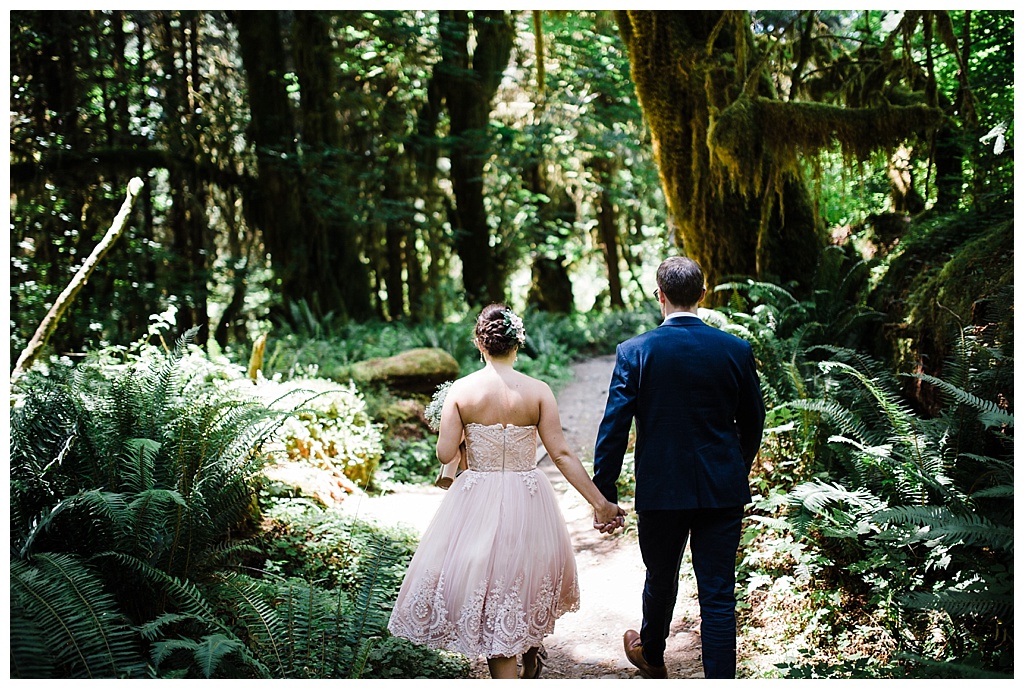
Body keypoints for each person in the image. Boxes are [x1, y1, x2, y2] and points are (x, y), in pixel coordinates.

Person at [388, 303, 625, 679]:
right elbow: (561, 453)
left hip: (476, 498)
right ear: (517, 344)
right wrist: (600, 503)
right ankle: (529, 647)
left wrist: (458, 430)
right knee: (520, 576)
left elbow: (445, 453)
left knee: (490, 581)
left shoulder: (461, 392)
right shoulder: (538, 391)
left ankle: (514, 658)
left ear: (480, 344)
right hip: (527, 496)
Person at [591, 256, 765, 679]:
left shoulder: (636, 352)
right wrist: (734, 469)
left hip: (661, 488)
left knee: (661, 575)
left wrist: (605, 492)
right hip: (721, 489)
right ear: (703, 296)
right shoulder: (735, 350)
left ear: (660, 296)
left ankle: (652, 653)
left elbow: (614, 426)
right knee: (719, 594)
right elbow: (754, 420)